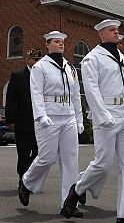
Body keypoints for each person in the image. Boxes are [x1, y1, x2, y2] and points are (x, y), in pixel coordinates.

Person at [61, 20, 124, 223]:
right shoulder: (93, 58)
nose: (116, 32)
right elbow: (91, 90)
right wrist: (102, 114)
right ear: (101, 35)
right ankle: (77, 190)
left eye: (117, 29)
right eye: (111, 30)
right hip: (106, 115)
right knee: (103, 163)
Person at [18, 33, 83, 210]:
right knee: (47, 158)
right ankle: (27, 182)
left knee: (71, 161)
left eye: (62, 42)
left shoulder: (70, 68)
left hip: (68, 115)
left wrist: (79, 118)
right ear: (47, 45)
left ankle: (69, 203)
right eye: (56, 42)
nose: (60, 44)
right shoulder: (41, 67)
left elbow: (75, 95)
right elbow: (36, 93)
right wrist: (41, 115)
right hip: (49, 116)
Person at [6, 48, 43, 180]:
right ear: (28, 60)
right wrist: (10, 120)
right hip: (23, 122)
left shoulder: (45, 76)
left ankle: (31, 176)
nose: (37, 62)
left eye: (39, 59)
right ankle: (23, 178)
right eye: (34, 59)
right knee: (23, 153)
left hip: (40, 123)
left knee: (39, 153)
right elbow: (11, 100)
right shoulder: (18, 76)